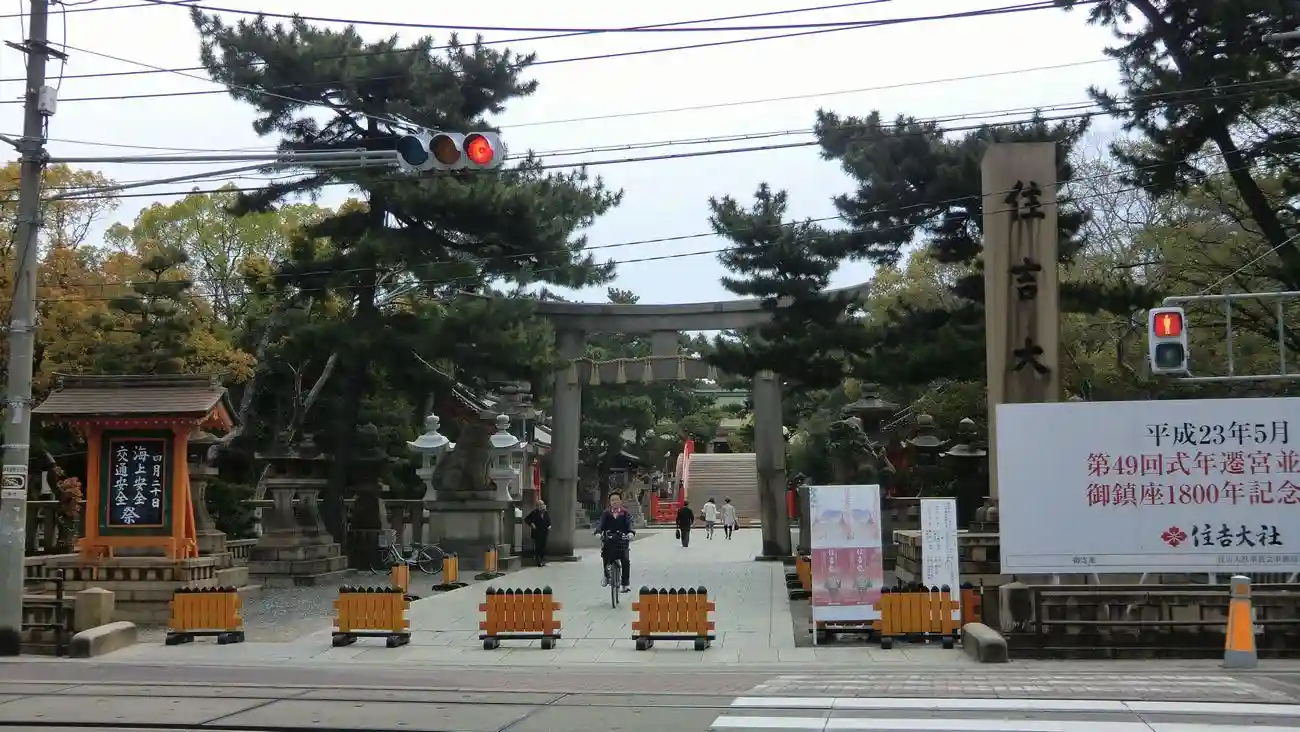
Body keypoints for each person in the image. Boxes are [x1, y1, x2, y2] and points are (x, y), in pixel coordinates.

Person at [595, 491, 634, 592]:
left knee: (625, 561)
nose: (615, 502)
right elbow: (600, 523)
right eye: (613, 500)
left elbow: (629, 524)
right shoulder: (606, 513)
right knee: (605, 556)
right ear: (610, 502)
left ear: (620, 501)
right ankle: (606, 575)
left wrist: (630, 533)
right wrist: (598, 532)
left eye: (617, 500)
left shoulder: (625, 513)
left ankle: (625, 584)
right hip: (609, 538)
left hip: (622, 539)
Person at [524, 500, 551, 567]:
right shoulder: (534, 512)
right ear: (537, 506)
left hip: (544, 532)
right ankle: (538, 561)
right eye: (540, 505)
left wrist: (549, 526)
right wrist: (531, 524)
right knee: (538, 547)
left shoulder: (546, 512)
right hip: (537, 533)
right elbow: (526, 519)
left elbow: (548, 521)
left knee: (543, 547)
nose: (541, 506)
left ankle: (542, 560)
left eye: (542, 504)